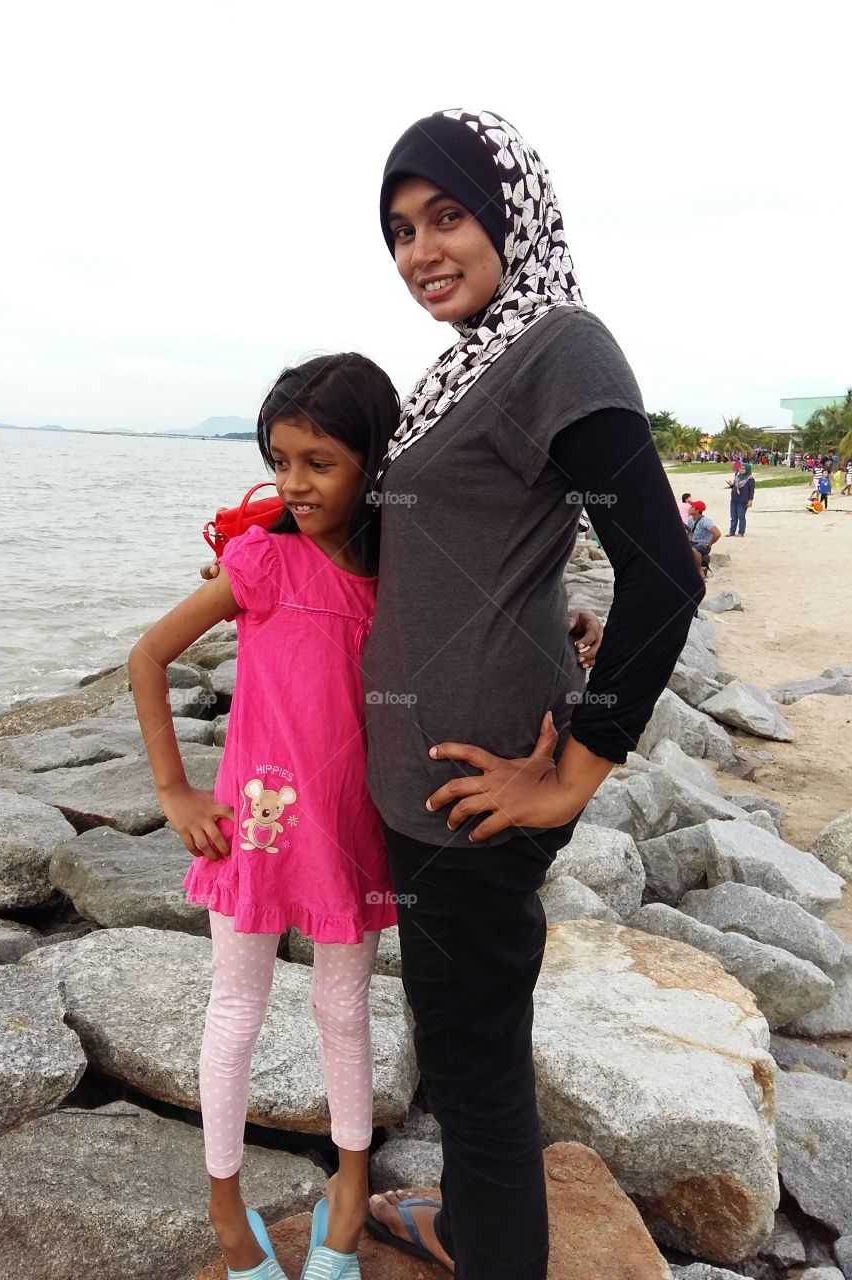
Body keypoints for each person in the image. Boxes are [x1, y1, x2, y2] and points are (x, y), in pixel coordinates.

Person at [361, 109, 704, 1280]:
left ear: (514, 212)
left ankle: (490, 1241)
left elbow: (665, 571)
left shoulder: (560, 340)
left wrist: (573, 774)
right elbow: (492, 538)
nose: (420, 251)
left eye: (448, 215)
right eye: (401, 230)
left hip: (474, 792)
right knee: (461, 1043)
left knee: (478, 1071)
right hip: (425, 784)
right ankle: (467, 1219)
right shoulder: (471, 357)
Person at [129, 353, 403, 1280]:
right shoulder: (261, 561)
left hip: (355, 828)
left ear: (374, 460)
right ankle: (224, 1208)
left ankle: (351, 1195)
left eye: (319, 462)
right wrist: (175, 791)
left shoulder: (399, 574)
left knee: (343, 1008)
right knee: (235, 1007)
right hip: (256, 826)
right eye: (279, 460)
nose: (294, 482)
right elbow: (149, 656)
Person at [687, 499, 722, 576]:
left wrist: (709, 544)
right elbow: (690, 531)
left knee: (692, 550)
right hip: (694, 542)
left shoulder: (706, 521)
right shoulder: (690, 519)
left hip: (703, 545)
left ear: (697, 510)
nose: (689, 508)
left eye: (692, 507)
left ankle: (700, 570)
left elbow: (717, 534)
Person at [728, 461, 754, 535]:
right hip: (734, 499)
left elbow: (752, 490)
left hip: (742, 501)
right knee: (733, 516)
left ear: (748, 470)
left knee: (741, 516)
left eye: (743, 469)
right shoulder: (738, 476)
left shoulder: (750, 479)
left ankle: (741, 532)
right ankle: (732, 532)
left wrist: (750, 500)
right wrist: (731, 485)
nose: (741, 470)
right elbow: (735, 486)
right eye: (740, 468)